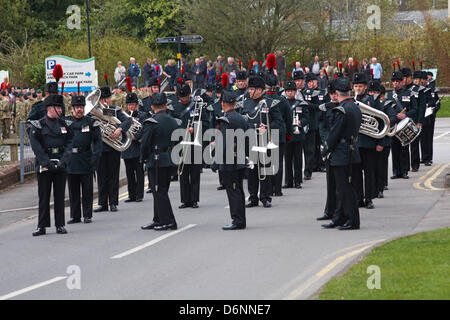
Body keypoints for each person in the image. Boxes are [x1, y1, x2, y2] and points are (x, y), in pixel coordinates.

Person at [28, 94, 74, 236]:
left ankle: (60, 224)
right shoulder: (38, 125)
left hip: (60, 164)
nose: (60, 110)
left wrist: (62, 162)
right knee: (44, 196)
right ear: (49, 108)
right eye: (58, 107)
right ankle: (41, 226)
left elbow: (69, 144)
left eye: (61, 107)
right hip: (45, 165)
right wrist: (47, 163)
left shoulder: (65, 125)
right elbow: (36, 147)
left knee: (59, 196)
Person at [321, 77, 362, 230]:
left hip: (341, 153)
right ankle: (340, 217)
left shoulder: (342, 110)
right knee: (345, 187)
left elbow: (334, 134)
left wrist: (325, 149)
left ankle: (352, 220)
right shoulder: (355, 107)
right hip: (351, 150)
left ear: (337, 93)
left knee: (344, 188)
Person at [141, 93, 181, 231]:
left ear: (152, 107)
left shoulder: (151, 122)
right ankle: (157, 218)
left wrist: (143, 158)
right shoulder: (173, 121)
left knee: (159, 191)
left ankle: (169, 221)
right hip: (169, 158)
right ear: (165, 105)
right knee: (161, 190)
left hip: (156, 160)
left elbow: (145, 144)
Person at [242, 75, 282, 208]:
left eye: (252, 89)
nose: (249, 91)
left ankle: (265, 197)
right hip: (250, 139)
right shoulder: (245, 102)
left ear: (260, 90)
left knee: (265, 169)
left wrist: (267, 127)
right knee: (251, 170)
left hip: (265, 139)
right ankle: (253, 197)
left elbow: (278, 122)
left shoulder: (270, 103)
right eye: (249, 89)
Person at [213, 89, 249, 230]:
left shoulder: (225, 119)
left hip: (229, 161)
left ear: (223, 104)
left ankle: (237, 220)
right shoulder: (242, 118)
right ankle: (240, 219)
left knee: (233, 191)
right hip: (239, 158)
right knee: (238, 189)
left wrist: (216, 160)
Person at [94, 85, 132, 213]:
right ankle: (102, 203)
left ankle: (113, 202)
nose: (105, 101)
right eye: (102, 99)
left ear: (110, 98)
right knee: (101, 176)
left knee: (113, 176)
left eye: (107, 98)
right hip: (100, 148)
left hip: (113, 148)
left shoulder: (115, 110)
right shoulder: (93, 112)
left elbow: (128, 121)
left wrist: (119, 129)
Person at [66, 94, 102, 224]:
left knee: (87, 191)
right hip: (71, 161)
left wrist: (95, 158)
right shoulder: (66, 122)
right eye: (77, 107)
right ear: (72, 109)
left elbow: (98, 142)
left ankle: (87, 215)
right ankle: (75, 216)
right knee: (73, 191)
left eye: (81, 107)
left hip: (86, 159)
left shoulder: (91, 122)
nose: (79, 109)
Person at [172, 80, 202, 209]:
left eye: (186, 97)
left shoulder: (197, 107)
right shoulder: (174, 108)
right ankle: (185, 200)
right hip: (180, 143)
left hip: (194, 144)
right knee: (183, 173)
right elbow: (172, 125)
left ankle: (194, 199)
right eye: (181, 97)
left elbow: (205, 123)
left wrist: (194, 129)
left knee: (194, 173)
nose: (184, 99)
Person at [352, 72, 379, 209]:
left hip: (368, 142)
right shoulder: (351, 101)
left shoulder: (372, 100)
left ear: (365, 87)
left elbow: (380, 120)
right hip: (355, 143)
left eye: (360, 86)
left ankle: (369, 198)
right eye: (356, 86)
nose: (358, 89)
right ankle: (358, 198)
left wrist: (380, 142)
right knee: (356, 173)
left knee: (369, 172)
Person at [386, 71, 417, 179]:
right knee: (394, 148)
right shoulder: (389, 95)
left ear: (402, 82)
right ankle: (396, 171)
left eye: (397, 81)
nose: (395, 83)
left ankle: (404, 171)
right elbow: (387, 109)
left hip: (405, 125)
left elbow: (414, 109)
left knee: (404, 147)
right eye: (393, 81)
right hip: (394, 125)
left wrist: (406, 115)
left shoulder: (409, 94)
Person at [283, 80, 310, 189]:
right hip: (287, 134)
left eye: (292, 91)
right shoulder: (283, 103)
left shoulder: (301, 103)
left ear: (295, 92)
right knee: (287, 159)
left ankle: (298, 181)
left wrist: (301, 122)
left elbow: (306, 118)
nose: (290, 93)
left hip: (298, 135)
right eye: (288, 91)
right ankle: (288, 181)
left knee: (298, 159)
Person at [122, 92, 148, 203]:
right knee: (129, 173)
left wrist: (135, 137)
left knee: (139, 172)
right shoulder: (124, 116)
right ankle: (131, 195)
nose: (131, 107)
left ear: (136, 105)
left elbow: (143, 129)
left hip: (137, 147)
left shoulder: (142, 115)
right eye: (129, 105)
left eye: (133, 104)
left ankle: (139, 195)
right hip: (127, 148)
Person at [403, 68, 423, 172]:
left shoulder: (418, 89)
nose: (404, 79)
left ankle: (415, 164)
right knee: (405, 143)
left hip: (415, 119)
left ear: (410, 77)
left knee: (414, 144)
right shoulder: (402, 90)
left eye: (405, 77)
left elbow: (422, 107)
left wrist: (420, 121)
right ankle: (405, 166)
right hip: (405, 120)